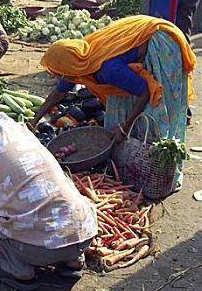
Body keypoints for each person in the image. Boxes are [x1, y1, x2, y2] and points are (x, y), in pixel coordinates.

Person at [0, 83, 97, 291]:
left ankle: (18, 269)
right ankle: (73, 260)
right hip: (83, 235)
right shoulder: (20, 127)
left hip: (34, 249)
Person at [30, 15, 196, 192]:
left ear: (69, 66)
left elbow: (144, 92)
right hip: (138, 36)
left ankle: (164, 172)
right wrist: (34, 121)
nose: (58, 76)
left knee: (160, 104)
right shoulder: (79, 59)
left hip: (161, 40)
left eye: (59, 72)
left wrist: (124, 127)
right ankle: (127, 158)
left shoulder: (107, 69)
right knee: (120, 99)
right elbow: (58, 93)